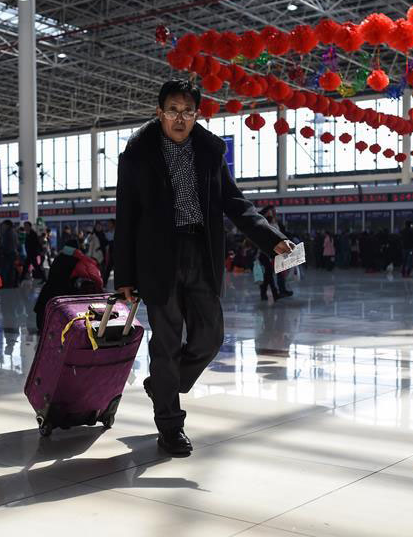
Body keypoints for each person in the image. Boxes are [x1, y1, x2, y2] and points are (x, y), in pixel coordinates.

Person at [114, 79, 293, 456]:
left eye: (188, 111)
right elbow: (125, 216)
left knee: (210, 337)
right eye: (173, 111)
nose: (180, 119)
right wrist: (124, 276)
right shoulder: (136, 154)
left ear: (198, 114)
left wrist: (270, 238)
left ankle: (163, 384)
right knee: (165, 343)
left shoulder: (210, 151)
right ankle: (169, 427)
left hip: (201, 252)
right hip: (157, 257)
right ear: (159, 112)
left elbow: (235, 202)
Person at [0, 220, 20, 289]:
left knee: (5, 269)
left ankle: (3, 284)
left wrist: (1, 251)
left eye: (3, 225)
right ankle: (11, 284)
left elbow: (5, 245)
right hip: (13, 253)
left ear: (7, 225)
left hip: (8, 254)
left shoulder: (7, 233)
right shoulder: (14, 232)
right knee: (11, 269)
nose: (3, 227)